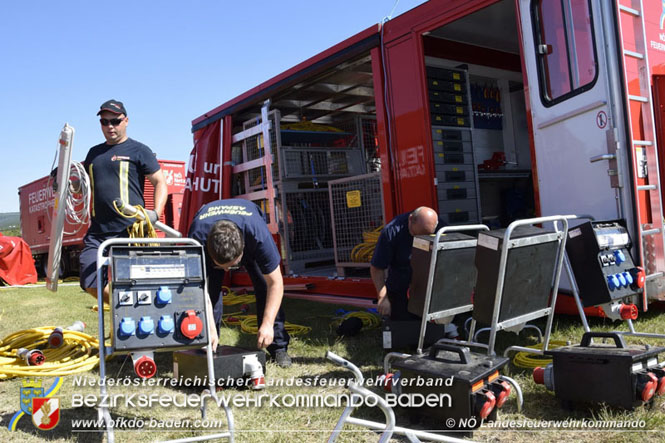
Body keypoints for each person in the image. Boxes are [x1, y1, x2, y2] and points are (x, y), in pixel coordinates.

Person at [78, 99, 167, 303]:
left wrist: (155, 213)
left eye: (115, 121)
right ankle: (126, 308)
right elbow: (81, 185)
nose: (110, 126)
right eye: (104, 122)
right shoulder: (93, 154)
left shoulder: (139, 150)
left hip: (130, 231)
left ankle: (134, 316)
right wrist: (64, 178)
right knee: (89, 281)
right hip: (98, 233)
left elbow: (160, 182)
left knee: (136, 284)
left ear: (126, 121)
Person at [188, 199, 292, 368]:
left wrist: (267, 324)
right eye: (223, 267)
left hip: (248, 230)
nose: (228, 271)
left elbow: (276, 283)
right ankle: (210, 344)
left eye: (233, 265)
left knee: (264, 285)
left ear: (243, 249)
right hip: (209, 236)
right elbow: (199, 289)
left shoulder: (258, 235)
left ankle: (278, 347)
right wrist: (208, 328)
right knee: (212, 289)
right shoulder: (197, 237)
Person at [370, 206, 439, 320]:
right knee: (405, 325)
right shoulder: (391, 232)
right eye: (416, 235)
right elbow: (377, 268)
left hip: (428, 286)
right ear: (410, 219)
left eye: (425, 236)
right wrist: (383, 298)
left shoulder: (441, 227)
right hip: (401, 287)